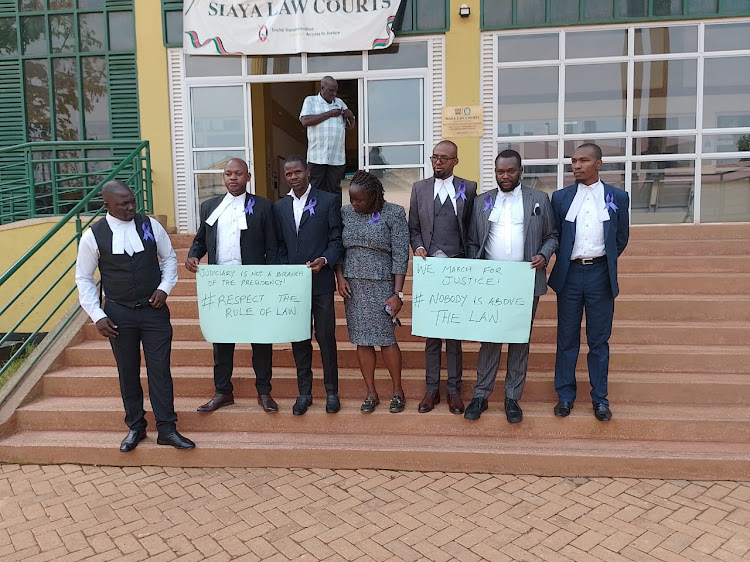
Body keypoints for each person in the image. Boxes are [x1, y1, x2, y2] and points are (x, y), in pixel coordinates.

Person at [75, 180, 194, 452]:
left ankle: (167, 428)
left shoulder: (150, 225)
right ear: (107, 205)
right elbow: (83, 277)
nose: (131, 207)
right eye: (123, 204)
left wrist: (165, 288)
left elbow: (168, 258)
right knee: (127, 372)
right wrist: (96, 314)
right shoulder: (94, 235)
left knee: (160, 371)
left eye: (132, 201)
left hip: (154, 313)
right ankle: (136, 427)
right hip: (118, 314)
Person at [465, 150, 558, 422]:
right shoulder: (482, 201)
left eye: (510, 171)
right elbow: (472, 241)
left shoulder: (538, 199)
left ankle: (512, 398)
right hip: (492, 281)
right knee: (490, 340)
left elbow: (552, 235)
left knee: (520, 341)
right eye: (500, 171)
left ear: (520, 171)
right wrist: (476, 267)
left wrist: (544, 254)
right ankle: (481, 395)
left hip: (524, 279)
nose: (505, 176)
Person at [186, 159, 278, 414]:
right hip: (221, 284)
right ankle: (223, 391)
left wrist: (269, 282)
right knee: (222, 339)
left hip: (253, 282)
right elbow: (200, 240)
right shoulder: (210, 207)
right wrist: (194, 254)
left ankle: (264, 392)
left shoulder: (263, 206)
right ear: (223, 177)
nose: (232, 178)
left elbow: (273, 247)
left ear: (248, 177)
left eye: (238, 174)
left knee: (260, 338)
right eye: (228, 174)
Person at [548, 143, 630, 421]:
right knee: (566, 339)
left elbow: (621, 237)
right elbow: (555, 235)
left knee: (599, 341)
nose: (577, 166)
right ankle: (565, 396)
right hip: (569, 275)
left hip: (600, 276)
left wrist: (601, 260)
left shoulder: (618, 196)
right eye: (573, 161)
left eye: (583, 160)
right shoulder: (559, 198)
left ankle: (600, 399)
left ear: (599, 164)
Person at [408, 140, 477, 414]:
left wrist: (471, 263)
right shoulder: (419, 188)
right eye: (434, 157)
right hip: (430, 268)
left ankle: (454, 391)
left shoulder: (468, 188)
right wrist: (419, 247)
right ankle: (431, 390)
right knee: (432, 332)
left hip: (458, 267)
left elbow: (473, 228)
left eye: (444, 158)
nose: (438, 162)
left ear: (455, 161)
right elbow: (413, 227)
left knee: (454, 333)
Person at [335, 171, 409, 414]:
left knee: (387, 339)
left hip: (382, 285)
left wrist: (398, 293)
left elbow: (400, 254)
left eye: (359, 200)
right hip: (353, 287)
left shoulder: (394, 213)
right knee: (362, 340)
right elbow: (339, 248)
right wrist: (340, 277)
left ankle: (397, 391)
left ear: (374, 196)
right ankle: (371, 393)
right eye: (352, 199)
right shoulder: (345, 213)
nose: (354, 204)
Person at [274, 154, 343, 415]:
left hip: (321, 282)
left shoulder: (328, 201)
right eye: (289, 174)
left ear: (308, 172)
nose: (294, 177)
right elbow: (279, 245)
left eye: (298, 172)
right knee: (300, 339)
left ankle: (332, 391)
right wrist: (285, 271)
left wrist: (325, 260)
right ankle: (304, 392)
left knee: (326, 337)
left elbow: (337, 239)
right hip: (294, 286)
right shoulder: (279, 207)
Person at [299, 76, 355, 201]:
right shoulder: (311, 101)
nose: (334, 94)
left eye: (335, 91)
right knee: (315, 189)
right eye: (331, 90)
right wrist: (329, 114)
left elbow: (350, 127)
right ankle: (316, 218)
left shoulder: (339, 102)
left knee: (334, 191)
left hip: (336, 158)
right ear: (322, 88)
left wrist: (350, 116)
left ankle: (334, 218)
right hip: (317, 156)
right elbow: (305, 121)